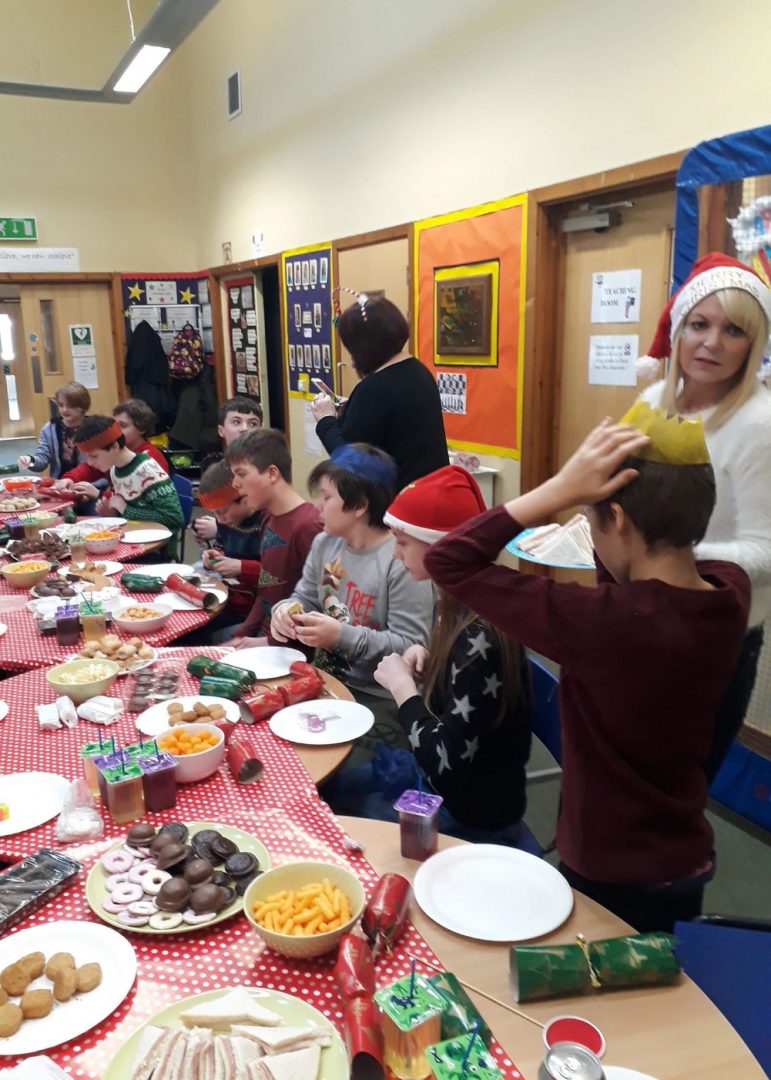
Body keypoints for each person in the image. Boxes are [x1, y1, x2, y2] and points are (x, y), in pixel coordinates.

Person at [422, 406, 750, 932]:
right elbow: (644, 590)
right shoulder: (729, 591)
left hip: (607, 868)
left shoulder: (599, 625)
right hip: (683, 857)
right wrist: (602, 514)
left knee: (604, 997)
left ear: (617, 519)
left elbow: (449, 560)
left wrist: (558, 490)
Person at [320, 465, 531, 845]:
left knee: (331, 821)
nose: (395, 553)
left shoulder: (479, 635)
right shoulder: (454, 603)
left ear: (442, 546)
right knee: (328, 788)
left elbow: (445, 768)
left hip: (468, 818)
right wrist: (430, 659)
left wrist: (404, 691)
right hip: (442, 783)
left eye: (403, 542)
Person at [636, 252, 771, 781]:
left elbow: (765, 550)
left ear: (753, 342)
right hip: (645, 618)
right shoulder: (651, 403)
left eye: (732, 329)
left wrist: (668, 555)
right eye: (699, 324)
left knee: (677, 791)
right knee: (629, 778)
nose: (712, 342)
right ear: (678, 330)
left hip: (717, 638)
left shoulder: (760, 425)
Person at [270, 444, 433, 701]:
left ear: (359, 506)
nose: (317, 506)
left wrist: (340, 637)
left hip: (379, 695)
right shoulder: (325, 543)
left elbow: (410, 645)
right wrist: (284, 610)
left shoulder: (400, 560)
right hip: (323, 680)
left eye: (326, 497)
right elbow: (305, 598)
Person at [311, 293, 448, 490]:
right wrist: (350, 409)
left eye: (353, 351)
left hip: (399, 505)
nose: (351, 361)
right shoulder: (418, 371)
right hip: (430, 493)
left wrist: (325, 420)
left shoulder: (374, 388)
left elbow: (349, 462)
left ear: (365, 348)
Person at [225, 428, 321, 643]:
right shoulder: (268, 518)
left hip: (289, 649)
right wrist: (241, 635)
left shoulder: (309, 527)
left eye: (241, 474)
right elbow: (265, 591)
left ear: (271, 473)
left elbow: (319, 611)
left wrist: (264, 643)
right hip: (264, 636)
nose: (235, 484)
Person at [72, 415, 184, 532]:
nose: (89, 463)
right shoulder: (115, 469)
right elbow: (129, 515)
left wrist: (125, 509)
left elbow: (174, 518)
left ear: (114, 446)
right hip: (131, 534)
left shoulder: (146, 470)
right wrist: (112, 513)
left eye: (94, 456)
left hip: (157, 545)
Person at [197, 458, 264, 631]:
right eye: (214, 514)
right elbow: (222, 543)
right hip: (230, 598)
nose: (219, 520)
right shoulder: (227, 520)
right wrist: (214, 554)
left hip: (256, 612)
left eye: (222, 512)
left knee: (202, 634)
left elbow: (280, 577)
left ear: (244, 499)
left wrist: (243, 567)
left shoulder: (266, 522)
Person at [193, 396, 264, 545]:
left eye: (253, 423)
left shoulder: (265, 471)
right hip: (228, 545)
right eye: (236, 422)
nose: (245, 428)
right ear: (221, 430)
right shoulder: (212, 466)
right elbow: (223, 516)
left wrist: (217, 529)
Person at [18, 381, 91, 479]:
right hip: (59, 484)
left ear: (83, 407)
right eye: (61, 405)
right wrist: (30, 460)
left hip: (88, 483)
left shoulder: (93, 428)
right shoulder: (49, 429)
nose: (64, 410)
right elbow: (42, 460)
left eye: (70, 406)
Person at [113, 399, 171, 474]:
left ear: (141, 429)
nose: (115, 430)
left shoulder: (150, 459)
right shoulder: (119, 449)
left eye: (123, 425)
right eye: (114, 425)